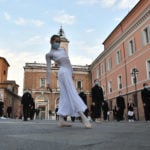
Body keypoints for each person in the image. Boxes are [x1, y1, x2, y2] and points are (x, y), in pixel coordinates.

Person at [46, 34, 91, 128]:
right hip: (63, 72)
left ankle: (61, 120)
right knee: (72, 92)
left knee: (64, 96)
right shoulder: (49, 55)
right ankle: (83, 118)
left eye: (59, 41)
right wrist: (49, 82)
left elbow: (68, 62)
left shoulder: (63, 50)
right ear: (51, 42)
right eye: (56, 41)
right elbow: (48, 69)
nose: (57, 43)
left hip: (68, 72)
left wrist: (72, 72)